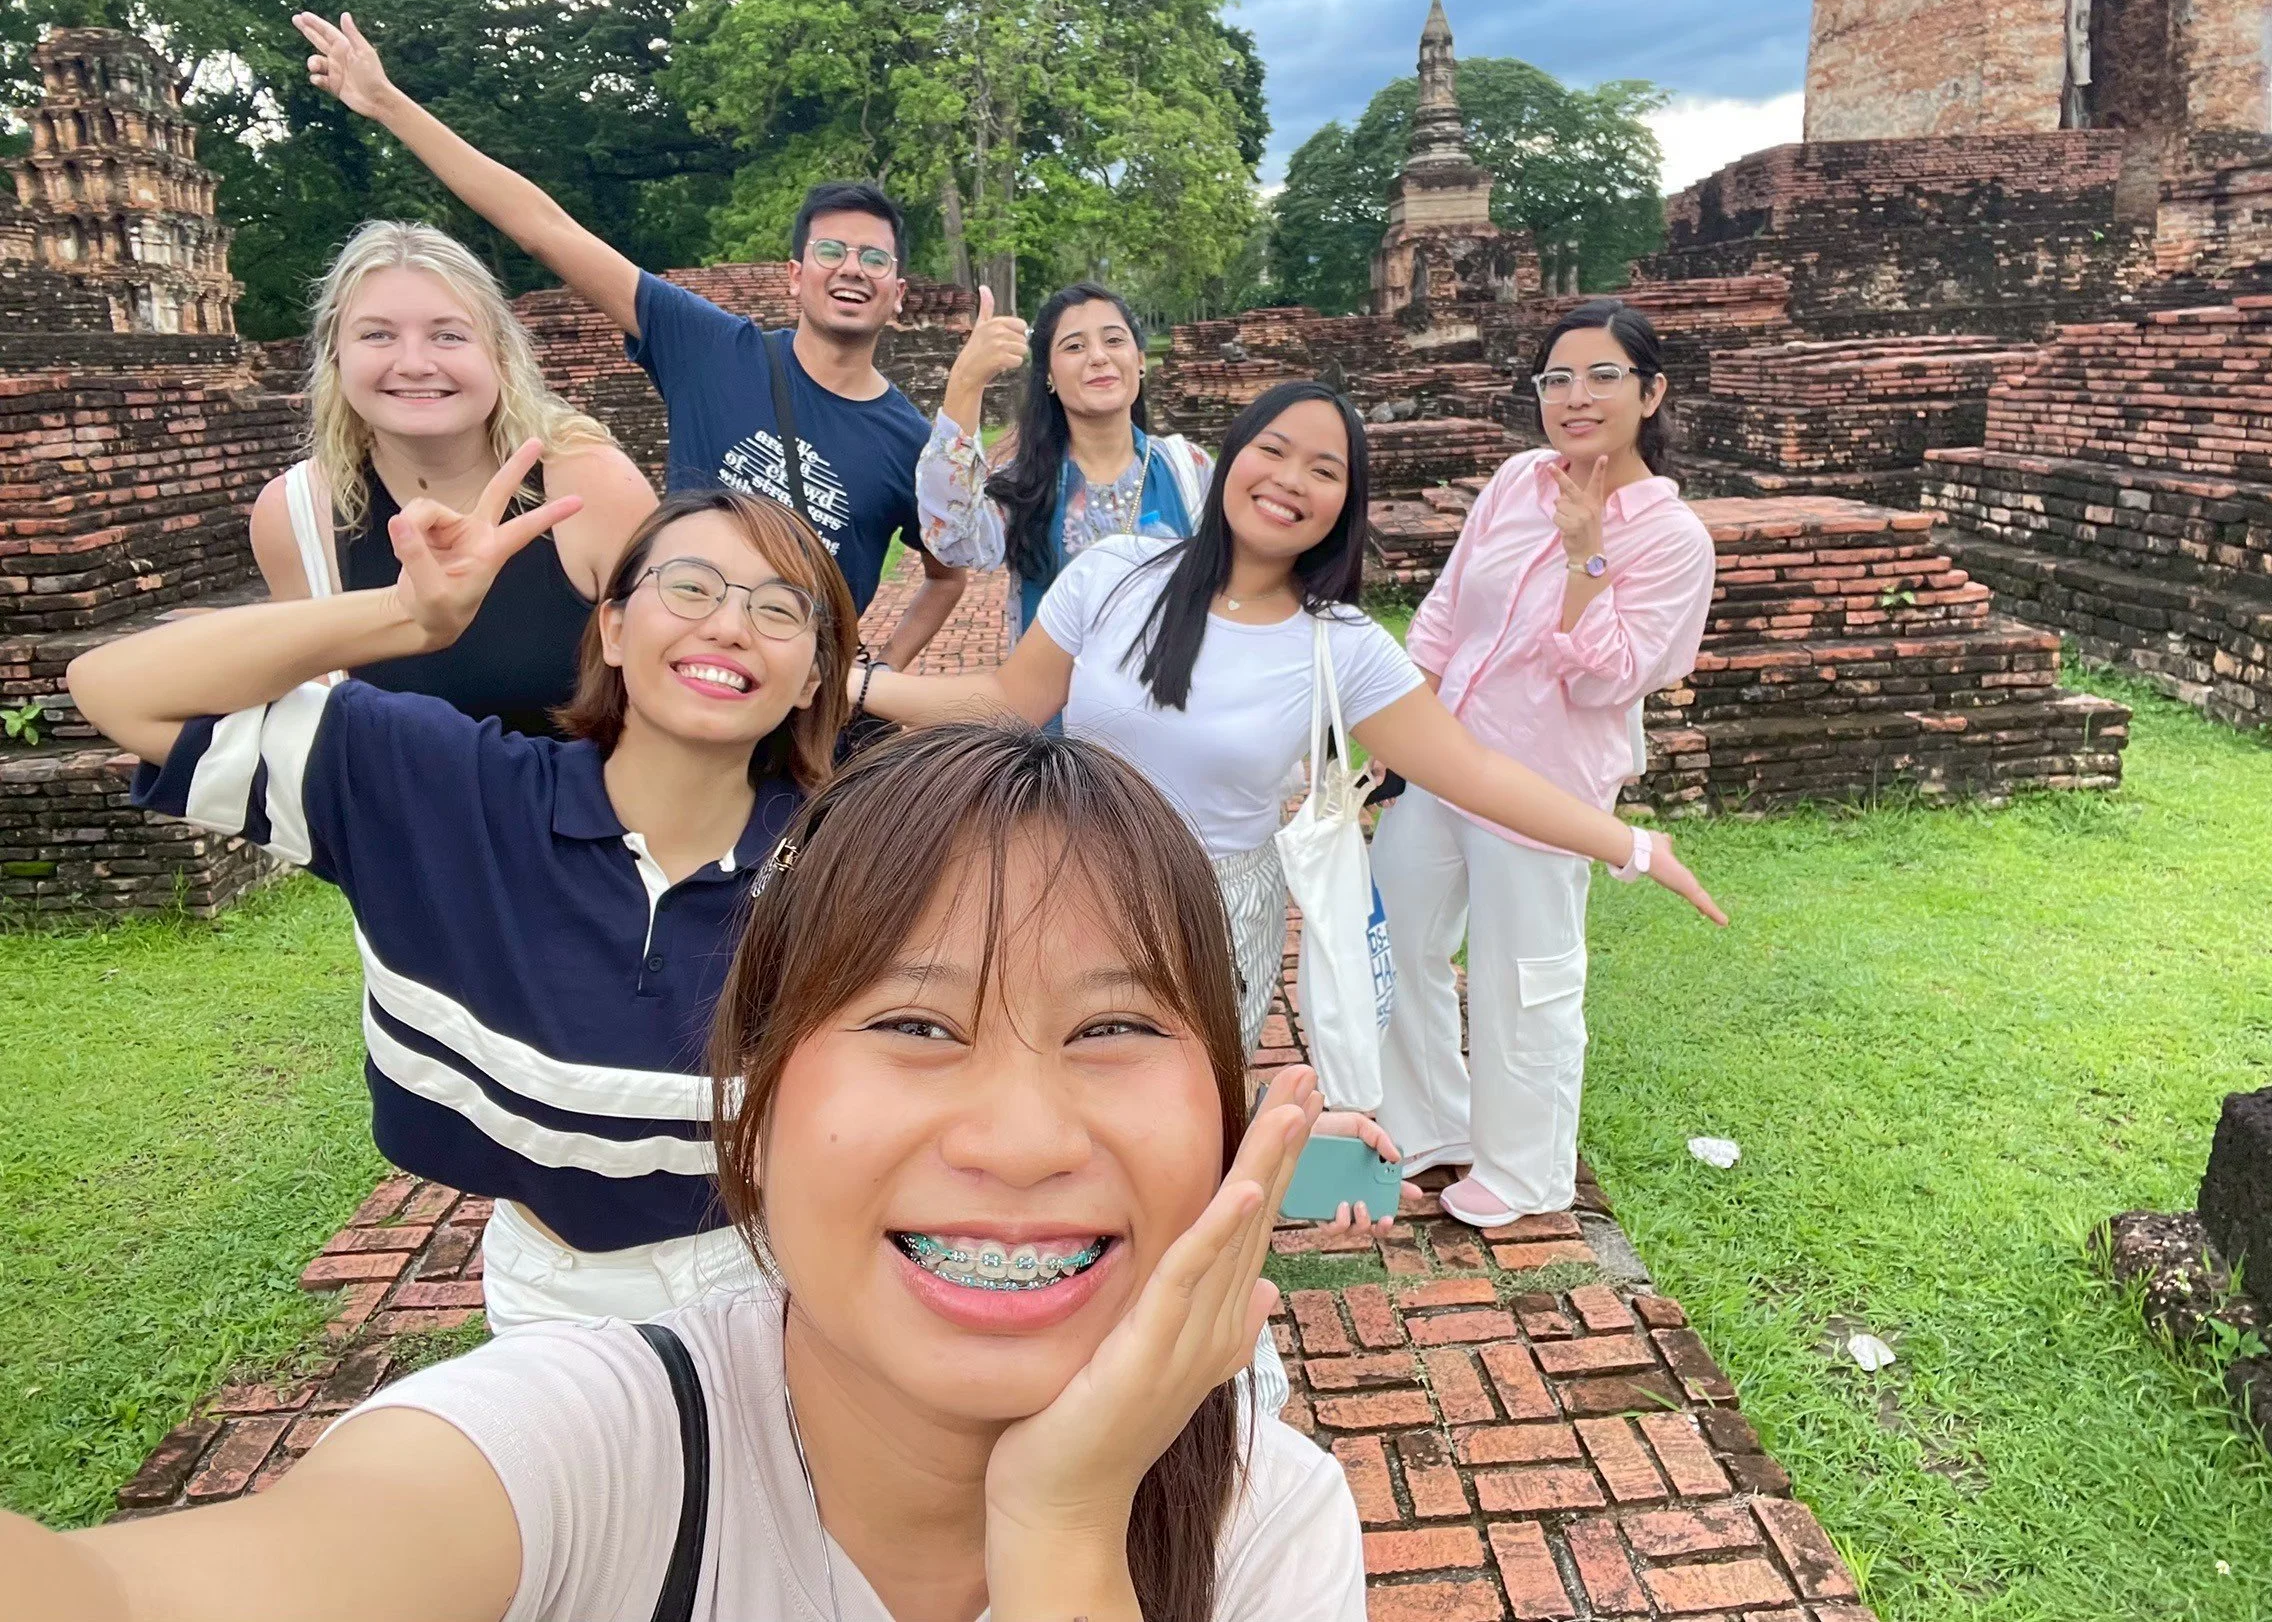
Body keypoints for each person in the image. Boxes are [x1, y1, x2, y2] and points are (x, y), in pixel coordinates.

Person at [8, 726, 1371, 1622]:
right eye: (913, 1024)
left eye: (1116, 1027)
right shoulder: (591, 1447)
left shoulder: (1266, 1526)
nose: (1020, 1138)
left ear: (1229, 1110)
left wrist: (1064, 1525)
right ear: (757, 1106)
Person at [67, 463, 857, 1329]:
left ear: (815, 679)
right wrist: (406, 614)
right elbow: (115, 688)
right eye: (691, 587)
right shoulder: (448, 789)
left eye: (778, 610)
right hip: (550, 1283)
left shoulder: (848, 862)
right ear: (616, 628)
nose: (730, 625)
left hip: (775, 1268)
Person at [856, 378, 1726, 1064]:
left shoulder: (1337, 646)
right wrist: (849, 685)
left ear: (1343, 507)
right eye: (1273, 450)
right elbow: (1007, 704)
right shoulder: (1117, 574)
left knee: (1180, 1122)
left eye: (1324, 470)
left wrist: (1632, 845)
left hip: (1214, 916)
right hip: (1073, 879)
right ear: (1231, 458)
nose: (1289, 481)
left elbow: (1476, 771)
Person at [291, 9, 966, 664]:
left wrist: (874, 676)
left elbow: (946, 575)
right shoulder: (710, 350)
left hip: (805, 702)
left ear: (897, 291)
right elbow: (544, 228)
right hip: (685, 671)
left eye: (874, 259)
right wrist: (389, 105)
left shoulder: (908, 439)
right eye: (832, 251)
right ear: (795, 274)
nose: (852, 269)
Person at [1372, 301, 1718, 1231]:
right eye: (1557, 378)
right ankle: (1428, 1118)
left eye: (1604, 376)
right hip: (1446, 761)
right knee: (1396, 935)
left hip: (1546, 788)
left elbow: (1613, 677)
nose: (1576, 398)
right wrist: (1398, 728)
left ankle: (1525, 1170)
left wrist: (1585, 557)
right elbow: (1447, 610)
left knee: (1525, 979)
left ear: (1651, 392)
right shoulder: (1519, 478)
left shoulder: (1674, 540)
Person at [248, 219, 658, 735]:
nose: (415, 364)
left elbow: (661, 700)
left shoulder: (591, 485)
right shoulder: (296, 512)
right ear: (335, 354)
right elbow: (311, 723)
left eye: (448, 335)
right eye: (378, 335)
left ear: (500, 354)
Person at [918, 281, 1211, 650]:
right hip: (1058, 705)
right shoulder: (1025, 487)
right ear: (1049, 377)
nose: (1099, 357)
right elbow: (951, 540)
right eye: (1074, 346)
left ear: (1139, 361)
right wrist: (965, 383)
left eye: (1114, 340)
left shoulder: (1188, 469)